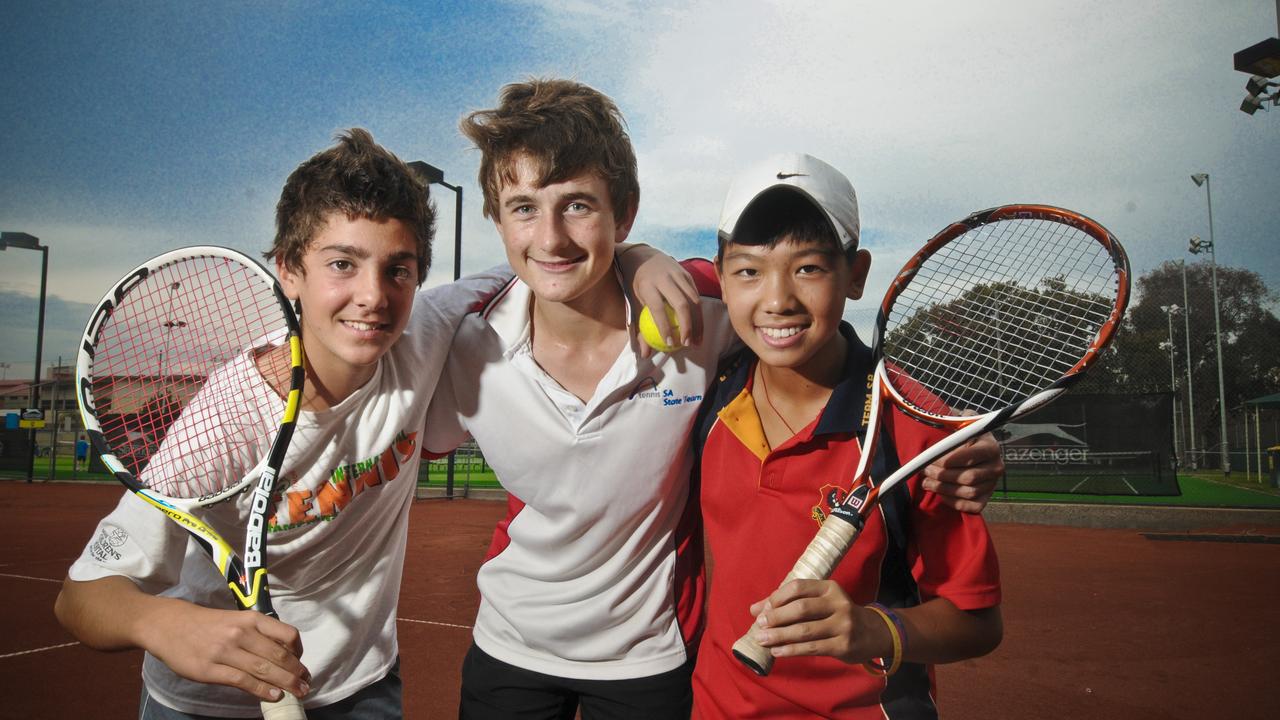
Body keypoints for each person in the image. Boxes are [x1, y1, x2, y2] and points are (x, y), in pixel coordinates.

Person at [425, 78, 1005, 720]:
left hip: (652, 661)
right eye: (523, 207)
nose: (553, 236)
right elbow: (374, 428)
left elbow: (746, 291)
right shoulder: (465, 346)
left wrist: (961, 444)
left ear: (624, 212)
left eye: (579, 205)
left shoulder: (706, 326)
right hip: (523, 648)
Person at [53, 128, 511, 719]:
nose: (373, 295)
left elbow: (535, 265)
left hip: (362, 685)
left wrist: (639, 258)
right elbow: (81, 597)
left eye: (399, 269)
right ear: (289, 271)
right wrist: (163, 621)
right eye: (342, 264)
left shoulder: (424, 327)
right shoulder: (228, 421)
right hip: (210, 705)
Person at [691, 153, 1003, 718]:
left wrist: (874, 629)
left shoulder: (916, 427)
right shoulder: (705, 394)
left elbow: (978, 620)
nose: (778, 299)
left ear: (855, 274)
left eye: (808, 268)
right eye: (748, 271)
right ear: (721, 276)